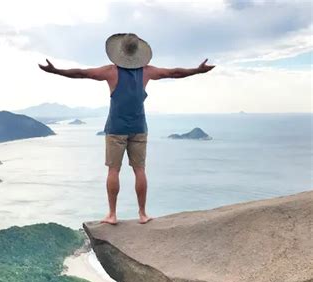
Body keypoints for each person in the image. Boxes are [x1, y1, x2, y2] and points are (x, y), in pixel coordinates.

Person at [39, 33, 215, 225]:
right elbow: (174, 72)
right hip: (139, 127)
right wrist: (197, 70)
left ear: (120, 52)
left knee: (113, 170)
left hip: (115, 128)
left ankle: (112, 214)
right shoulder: (147, 72)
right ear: (138, 53)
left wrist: (56, 71)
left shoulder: (110, 71)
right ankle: (142, 214)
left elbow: (82, 73)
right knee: (140, 170)